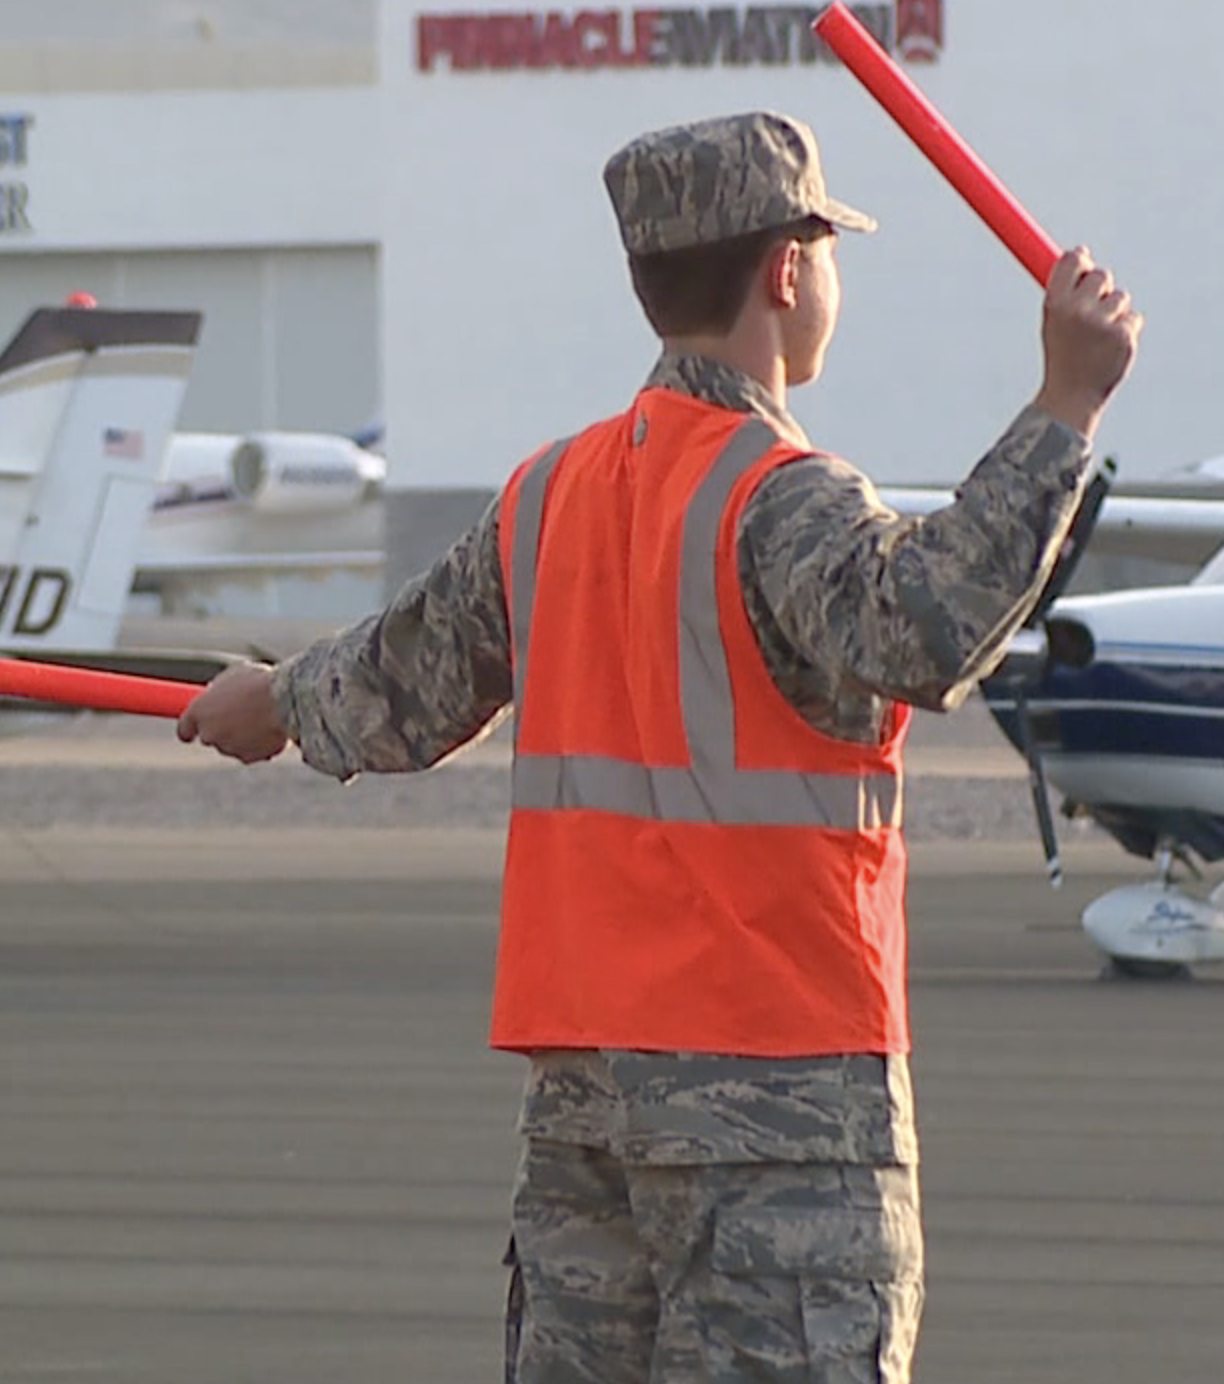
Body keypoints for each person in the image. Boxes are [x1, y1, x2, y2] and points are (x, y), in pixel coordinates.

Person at [175, 109, 1141, 1383]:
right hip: (774, 1103)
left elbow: (393, 684)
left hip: (586, 1100)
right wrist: (1065, 406)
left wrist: (275, 699)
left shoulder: (548, 492)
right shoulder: (779, 493)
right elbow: (923, 628)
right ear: (788, 271)